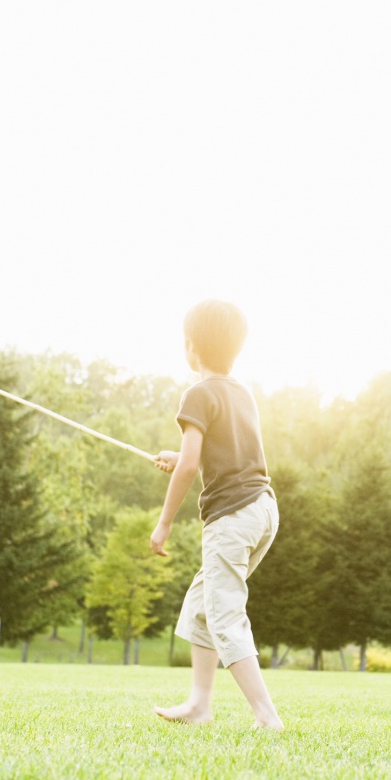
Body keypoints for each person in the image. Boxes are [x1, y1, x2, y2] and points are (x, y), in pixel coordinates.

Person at [150, 300, 283, 730]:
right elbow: (217, 451)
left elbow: (191, 466)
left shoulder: (198, 393)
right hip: (263, 509)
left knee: (224, 612)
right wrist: (181, 453)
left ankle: (266, 715)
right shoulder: (240, 392)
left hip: (231, 515)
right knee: (202, 606)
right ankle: (200, 705)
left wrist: (165, 522)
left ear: (191, 348)